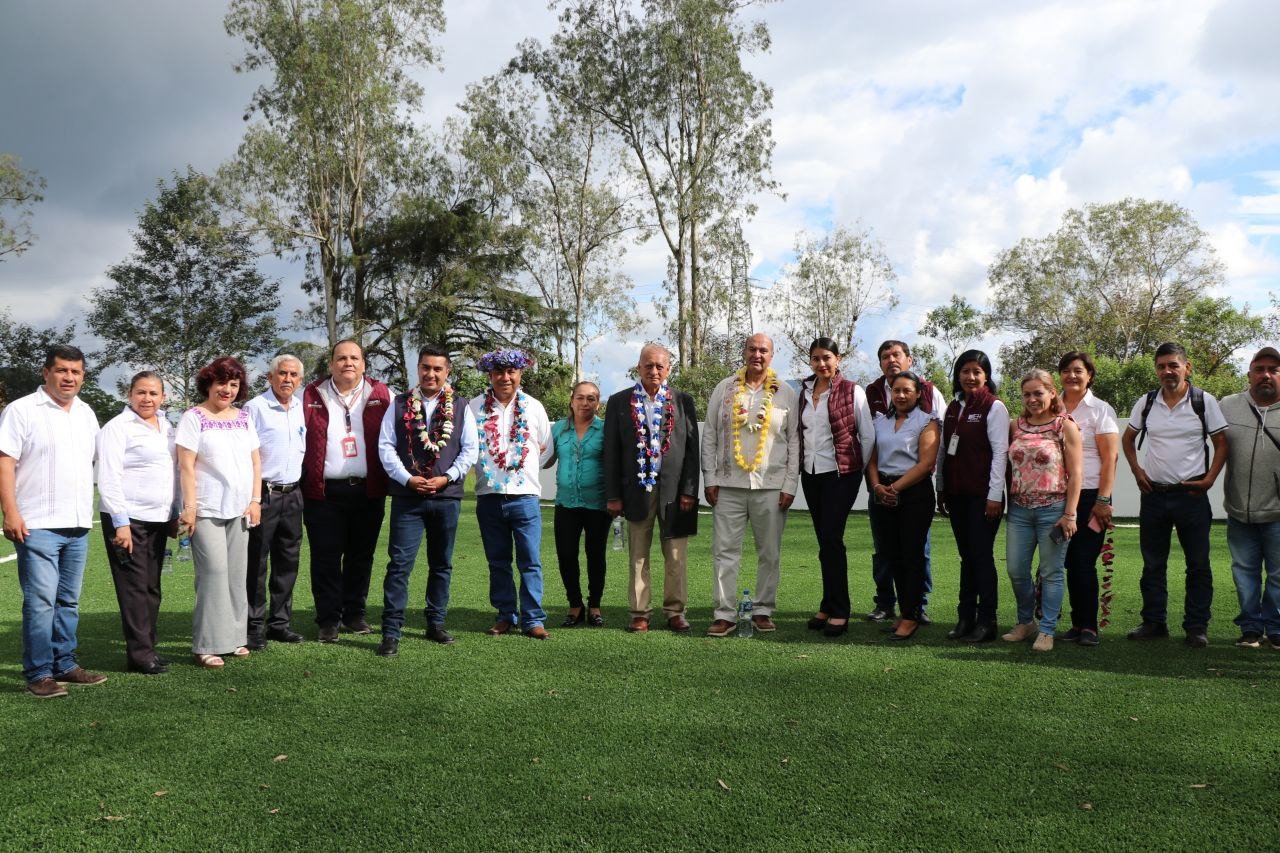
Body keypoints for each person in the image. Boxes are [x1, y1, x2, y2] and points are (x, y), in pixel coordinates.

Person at [0, 344, 105, 698]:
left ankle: (65, 664)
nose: (69, 377)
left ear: (83, 377)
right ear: (46, 373)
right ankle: (39, 673)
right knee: (41, 602)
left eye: (76, 372)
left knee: (68, 601)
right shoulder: (21, 410)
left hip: (78, 523)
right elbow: (5, 462)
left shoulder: (86, 413)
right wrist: (10, 512)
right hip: (37, 524)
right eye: (62, 370)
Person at [1121, 342, 1228, 648]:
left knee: (1198, 564)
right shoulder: (1147, 402)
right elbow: (1128, 439)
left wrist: (1209, 479)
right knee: (1153, 564)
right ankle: (1154, 622)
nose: (1167, 371)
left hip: (1191, 494)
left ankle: (1196, 626)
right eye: (1161, 366)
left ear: (1186, 367)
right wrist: (1137, 471)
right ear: (1156, 370)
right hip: (1154, 494)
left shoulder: (1203, 401)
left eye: (1173, 365)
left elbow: (1222, 442)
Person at [376, 345, 477, 656]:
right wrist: (406, 478)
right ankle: (391, 632)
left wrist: (448, 477)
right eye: (426, 367)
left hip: (446, 497)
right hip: (408, 498)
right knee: (399, 566)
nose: (431, 374)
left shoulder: (461, 405)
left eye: (437, 369)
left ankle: (436, 623)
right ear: (418, 369)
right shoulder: (398, 403)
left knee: (441, 564)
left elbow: (470, 450)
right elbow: (385, 446)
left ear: (447, 372)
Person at [701, 333, 800, 637]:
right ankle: (724, 614)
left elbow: (794, 441)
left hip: (771, 485)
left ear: (772, 355)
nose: (757, 354)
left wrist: (790, 485)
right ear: (744, 352)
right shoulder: (725, 388)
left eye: (763, 350)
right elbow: (710, 434)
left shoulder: (785, 392)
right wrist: (710, 478)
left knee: (769, 552)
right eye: (752, 349)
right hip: (727, 484)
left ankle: (763, 610)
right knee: (725, 551)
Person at [602, 344, 701, 634]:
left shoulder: (682, 401)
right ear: (639, 368)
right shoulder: (619, 402)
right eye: (648, 365)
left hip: (676, 493)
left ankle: (675, 612)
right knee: (638, 555)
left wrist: (689, 490)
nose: (654, 371)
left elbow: (692, 449)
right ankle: (639, 612)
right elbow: (611, 452)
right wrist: (613, 495)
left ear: (668, 369)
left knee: (676, 555)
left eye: (659, 366)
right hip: (635, 491)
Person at [301, 339, 391, 642]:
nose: (347, 363)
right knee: (325, 558)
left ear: (363, 364)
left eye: (354, 358)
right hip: (323, 493)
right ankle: (328, 619)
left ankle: (354, 615)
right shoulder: (311, 394)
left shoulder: (382, 394)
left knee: (360, 557)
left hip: (368, 490)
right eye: (341, 358)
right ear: (331, 364)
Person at [176, 357, 262, 669]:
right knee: (213, 575)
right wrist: (190, 508)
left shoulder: (244, 418)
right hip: (206, 509)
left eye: (234, 384)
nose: (227, 389)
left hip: (240, 509)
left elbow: (255, 462)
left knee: (237, 576)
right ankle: (206, 645)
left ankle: (235, 638)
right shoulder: (193, 418)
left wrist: (255, 500)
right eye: (222, 382)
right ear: (209, 384)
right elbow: (186, 466)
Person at [96, 371, 177, 675]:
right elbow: (108, 477)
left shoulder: (168, 426)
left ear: (163, 397)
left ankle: (148, 649)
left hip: (158, 519)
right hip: (128, 520)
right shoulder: (117, 428)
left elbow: (173, 472)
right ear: (129, 394)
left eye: (153, 393)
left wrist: (174, 513)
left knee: (151, 587)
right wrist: (121, 523)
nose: (147, 399)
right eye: (141, 392)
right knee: (134, 589)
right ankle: (140, 655)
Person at [469, 349, 554, 639]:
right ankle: (505, 615)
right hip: (489, 496)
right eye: (499, 372)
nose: (505, 377)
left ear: (520, 373)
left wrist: (523, 470)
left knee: (530, 561)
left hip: (525, 497)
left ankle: (533, 619)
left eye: (511, 372)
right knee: (498, 561)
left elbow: (546, 448)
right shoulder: (475, 407)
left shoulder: (534, 407)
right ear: (490, 375)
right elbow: (468, 448)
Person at [864, 340, 946, 622]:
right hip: (880, 489)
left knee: (916, 551)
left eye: (896, 354)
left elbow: (936, 447)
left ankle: (916, 607)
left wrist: (937, 484)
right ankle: (885, 603)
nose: (891, 360)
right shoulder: (872, 394)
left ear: (909, 359)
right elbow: (870, 448)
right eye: (885, 356)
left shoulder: (930, 395)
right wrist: (877, 486)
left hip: (913, 490)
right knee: (884, 550)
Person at [1002, 369, 1082, 652]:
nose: (1032, 399)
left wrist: (1070, 514)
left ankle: (1047, 630)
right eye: (1027, 394)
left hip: (1053, 509)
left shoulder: (1064, 425)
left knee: (1051, 572)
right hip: (1019, 510)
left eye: (1038, 393)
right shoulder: (1016, 426)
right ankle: (1026, 622)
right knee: (1016, 569)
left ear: (1052, 392)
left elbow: (1076, 474)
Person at [797, 337, 874, 637]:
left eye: (826, 357)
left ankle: (840, 610)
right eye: (816, 358)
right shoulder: (803, 392)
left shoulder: (853, 391)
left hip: (842, 475)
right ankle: (828, 604)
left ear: (838, 358)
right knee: (825, 542)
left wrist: (856, 470)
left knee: (831, 539)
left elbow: (867, 436)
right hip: (811, 473)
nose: (821, 364)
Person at [938, 349, 1008, 643]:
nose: (970, 377)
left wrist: (994, 496)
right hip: (957, 494)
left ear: (986, 376)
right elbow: (945, 449)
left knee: (980, 557)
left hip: (983, 497)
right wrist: (941, 487)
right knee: (966, 557)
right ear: (958, 375)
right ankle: (965, 617)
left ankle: (987, 620)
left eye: (977, 372)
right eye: (965, 371)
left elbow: (1000, 453)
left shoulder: (994, 407)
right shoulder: (953, 407)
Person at [243, 354, 307, 649]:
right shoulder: (255, 408)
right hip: (264, 495)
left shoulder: (300, 407)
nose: (287, 379)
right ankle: (253, 626)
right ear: (270, 377)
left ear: (300, 380)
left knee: (288, 561)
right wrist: (253, 498)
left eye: (293, 375)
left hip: (293, 494)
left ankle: (279, 624)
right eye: (282, 373)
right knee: (256, 562)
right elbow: (245, 456)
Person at [1218, 346, 1280, 649]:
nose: (1266, 375)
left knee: (1279, 575)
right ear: (1249, 374)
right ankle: (1251, 629)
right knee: (1244, 572)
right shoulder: (1228, 406)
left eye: (1273, 370)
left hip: (1278, 513)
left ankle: (1276, 629)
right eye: (1260, 369)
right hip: (1238, 509)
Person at [1058, 351, 1120, 646]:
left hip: (1092, 495)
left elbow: (1110, 458)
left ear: (1089, 376)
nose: (1072, 376)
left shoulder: (1100, 410)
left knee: (1083, 560)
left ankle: (1089, 627)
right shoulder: (1052, 406)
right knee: (1068, 562)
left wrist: (1103, 500)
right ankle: (1076, 623)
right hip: (1058, 494)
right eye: (1066, 370)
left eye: (1078, 371)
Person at [548, 381, 610, 627]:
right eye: (580, 398)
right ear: (572, 400)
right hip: (566, 504)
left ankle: (594, 606)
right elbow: (544, 459)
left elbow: (616, 465)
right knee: (566, 555)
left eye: (591, 398)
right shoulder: (558, 429)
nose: (585, 403)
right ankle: (575, 605)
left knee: (596, 555)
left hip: (598, 505)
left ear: (598, 404)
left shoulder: (606, 429)